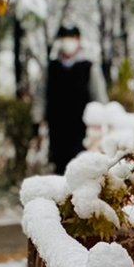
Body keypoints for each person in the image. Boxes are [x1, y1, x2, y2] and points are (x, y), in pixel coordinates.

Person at [44, 24, 93, 174]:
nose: (68, 42)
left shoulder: (88, 67)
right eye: (65, 38)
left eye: (72, 38)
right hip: (57, 128)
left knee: (80, 169)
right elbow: (42, 95)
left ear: (78, 40)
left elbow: (99, 98)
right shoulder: (52, 67)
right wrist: (38, 120)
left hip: (81, 128)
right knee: (59, 168)